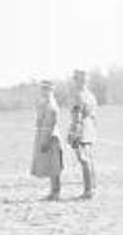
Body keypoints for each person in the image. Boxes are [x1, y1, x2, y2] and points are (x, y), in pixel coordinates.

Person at [67, 69, 98, 200]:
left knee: (83, 160)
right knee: (90, 160)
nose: (74, 81)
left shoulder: (77, 95)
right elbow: (94, 115)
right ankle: (93, 189)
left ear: (78, 80)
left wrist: (73, 131)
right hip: (90, 128)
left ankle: (88, 191)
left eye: (75, 79)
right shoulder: (91, 95)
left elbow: (77, 115)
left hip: (81, 129)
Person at [31, 79, 63, 200]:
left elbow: (50, 126)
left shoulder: (51, 106)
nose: (43, 91)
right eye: (42, 89)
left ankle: (56, 192)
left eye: (46, 89)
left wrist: (45, 141)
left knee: (54, 167)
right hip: (46, 137)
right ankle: (53, 192)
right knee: (50, 167)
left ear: (51, 90)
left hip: (51, 139)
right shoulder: (45, 104)